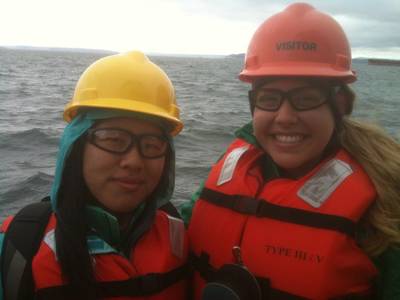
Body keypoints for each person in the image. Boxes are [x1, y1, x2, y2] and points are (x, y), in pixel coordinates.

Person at [182, 3, 400, 299]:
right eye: (269, 99)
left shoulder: (386, 204)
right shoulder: (233, 167)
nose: (284, 116)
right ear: (253, 106)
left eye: (305, 98)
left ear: (340, 106)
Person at [0, 51, 188, 299]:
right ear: (76, 146)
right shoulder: (19, 245)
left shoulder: (179, 232)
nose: (134, 161)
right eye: (113, 139)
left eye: (152, 145)